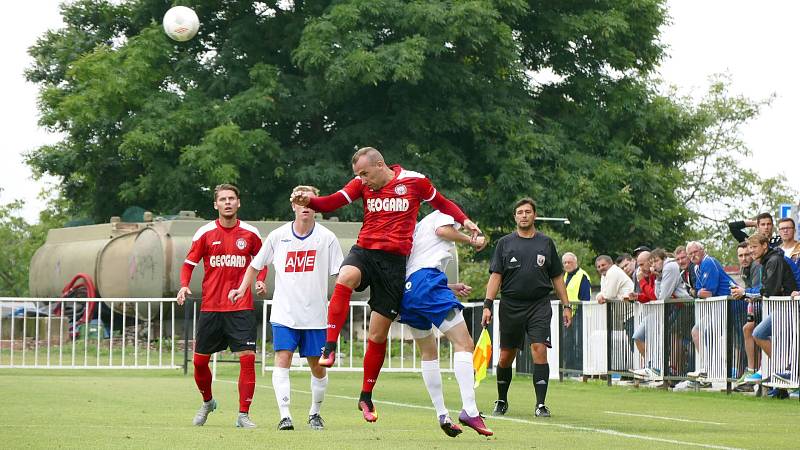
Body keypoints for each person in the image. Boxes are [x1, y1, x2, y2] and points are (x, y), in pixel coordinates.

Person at [290, 147, 480, 422]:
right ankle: (329, 347)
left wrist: (464, 220)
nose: (362, 180)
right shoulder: (361, 184)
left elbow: (442, 202)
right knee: (346, 277)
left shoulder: (414, 181)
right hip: (365, 252)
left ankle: (365, 396)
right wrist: (311, 200)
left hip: (394, 265)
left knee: (378, 335)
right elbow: (332, 202)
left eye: (365, 173)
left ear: (380, 165)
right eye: (358, 175)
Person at [229, 185, 344, 431]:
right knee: (283, 359)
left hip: (315, 317)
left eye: (310, 201)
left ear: (317, 206)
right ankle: (285, 416)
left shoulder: (327, 238)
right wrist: (242, 289)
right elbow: (255, 264)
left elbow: (340, 275)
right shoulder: (278, 236)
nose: (305, 206)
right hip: (284, 313)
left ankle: (314, 413)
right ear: (293, 205)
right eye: (300, 201)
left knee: (318, 366)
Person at [176, 184, 266, 429]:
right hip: (212, 308)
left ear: (239, 203)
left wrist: (259, 280)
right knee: (199, 363)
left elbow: (262, 261)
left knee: (247, 359)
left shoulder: (250, 233)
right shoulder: (204, 233)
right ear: (215, 205)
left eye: (232, 198)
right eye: (223, 199)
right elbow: (188, 264)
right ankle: (207, 402)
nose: (227, 202)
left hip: (241, 307)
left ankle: (243, 414)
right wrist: (184, 285)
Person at [399, 210, 492, 437]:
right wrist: (471, 240)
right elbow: (443, 230)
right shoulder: (443, 214)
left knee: (428, 353)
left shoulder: (419, 226)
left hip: (409, 292)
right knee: (464, 344)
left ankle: (442, 413)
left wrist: (449, 287)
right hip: (427, 283)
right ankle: (470, 409)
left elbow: (416, 266)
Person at [481, 198, 572, 418]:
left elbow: (557, 277)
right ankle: (501, 400)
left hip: (539, 304)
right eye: (520, 212)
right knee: (505, 356)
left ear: (534, 215)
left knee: (539, 349)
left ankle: (540, 404)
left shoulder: (546, 243)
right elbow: (496, 276)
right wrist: (487, 305)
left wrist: (566, 306)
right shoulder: (504, 243)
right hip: (511, 305)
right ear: (515, 217)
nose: (524, 215)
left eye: (528, 212)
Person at [736, 233, 798, 387]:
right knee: (759, 333)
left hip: (789, 307)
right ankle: (782, 369)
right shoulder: (767, 260)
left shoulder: (774, 260)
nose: (752, 252)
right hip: (781, 307)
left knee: (760, 333)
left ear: (765, 245)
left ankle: (785, 369)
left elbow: (769, 290)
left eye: (754, 247)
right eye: (750, 249)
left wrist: (746, 293)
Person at [562, 252, 591, 372]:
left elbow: (585, 297)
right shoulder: (565, 276)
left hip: (579, 313)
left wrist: (577, 313)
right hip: (567, 313)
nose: (567, 264)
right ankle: (569, 368)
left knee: (579, 342)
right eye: (565, 263)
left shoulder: (582, 275)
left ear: (575, 262)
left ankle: (579, 369)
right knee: (567, 342)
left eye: (570, 262)